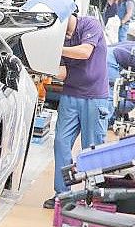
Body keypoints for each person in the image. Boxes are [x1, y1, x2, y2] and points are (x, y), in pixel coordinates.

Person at [44, 12, 110, 209]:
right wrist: (41, 66)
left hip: (94, 97)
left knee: (92, 147)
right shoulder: (59, 38)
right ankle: (63, 194)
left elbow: (84, 52)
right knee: (61, 142)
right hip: (71, 95)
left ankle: (92, 194)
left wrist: (56, 48)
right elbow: (63, 73)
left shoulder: (90, 24)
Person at [106, 42, 135, 126]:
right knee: (112, 91)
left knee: (115, 89)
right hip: (110, 59)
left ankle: (112, 119)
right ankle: (106, 122)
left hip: (108, 54)